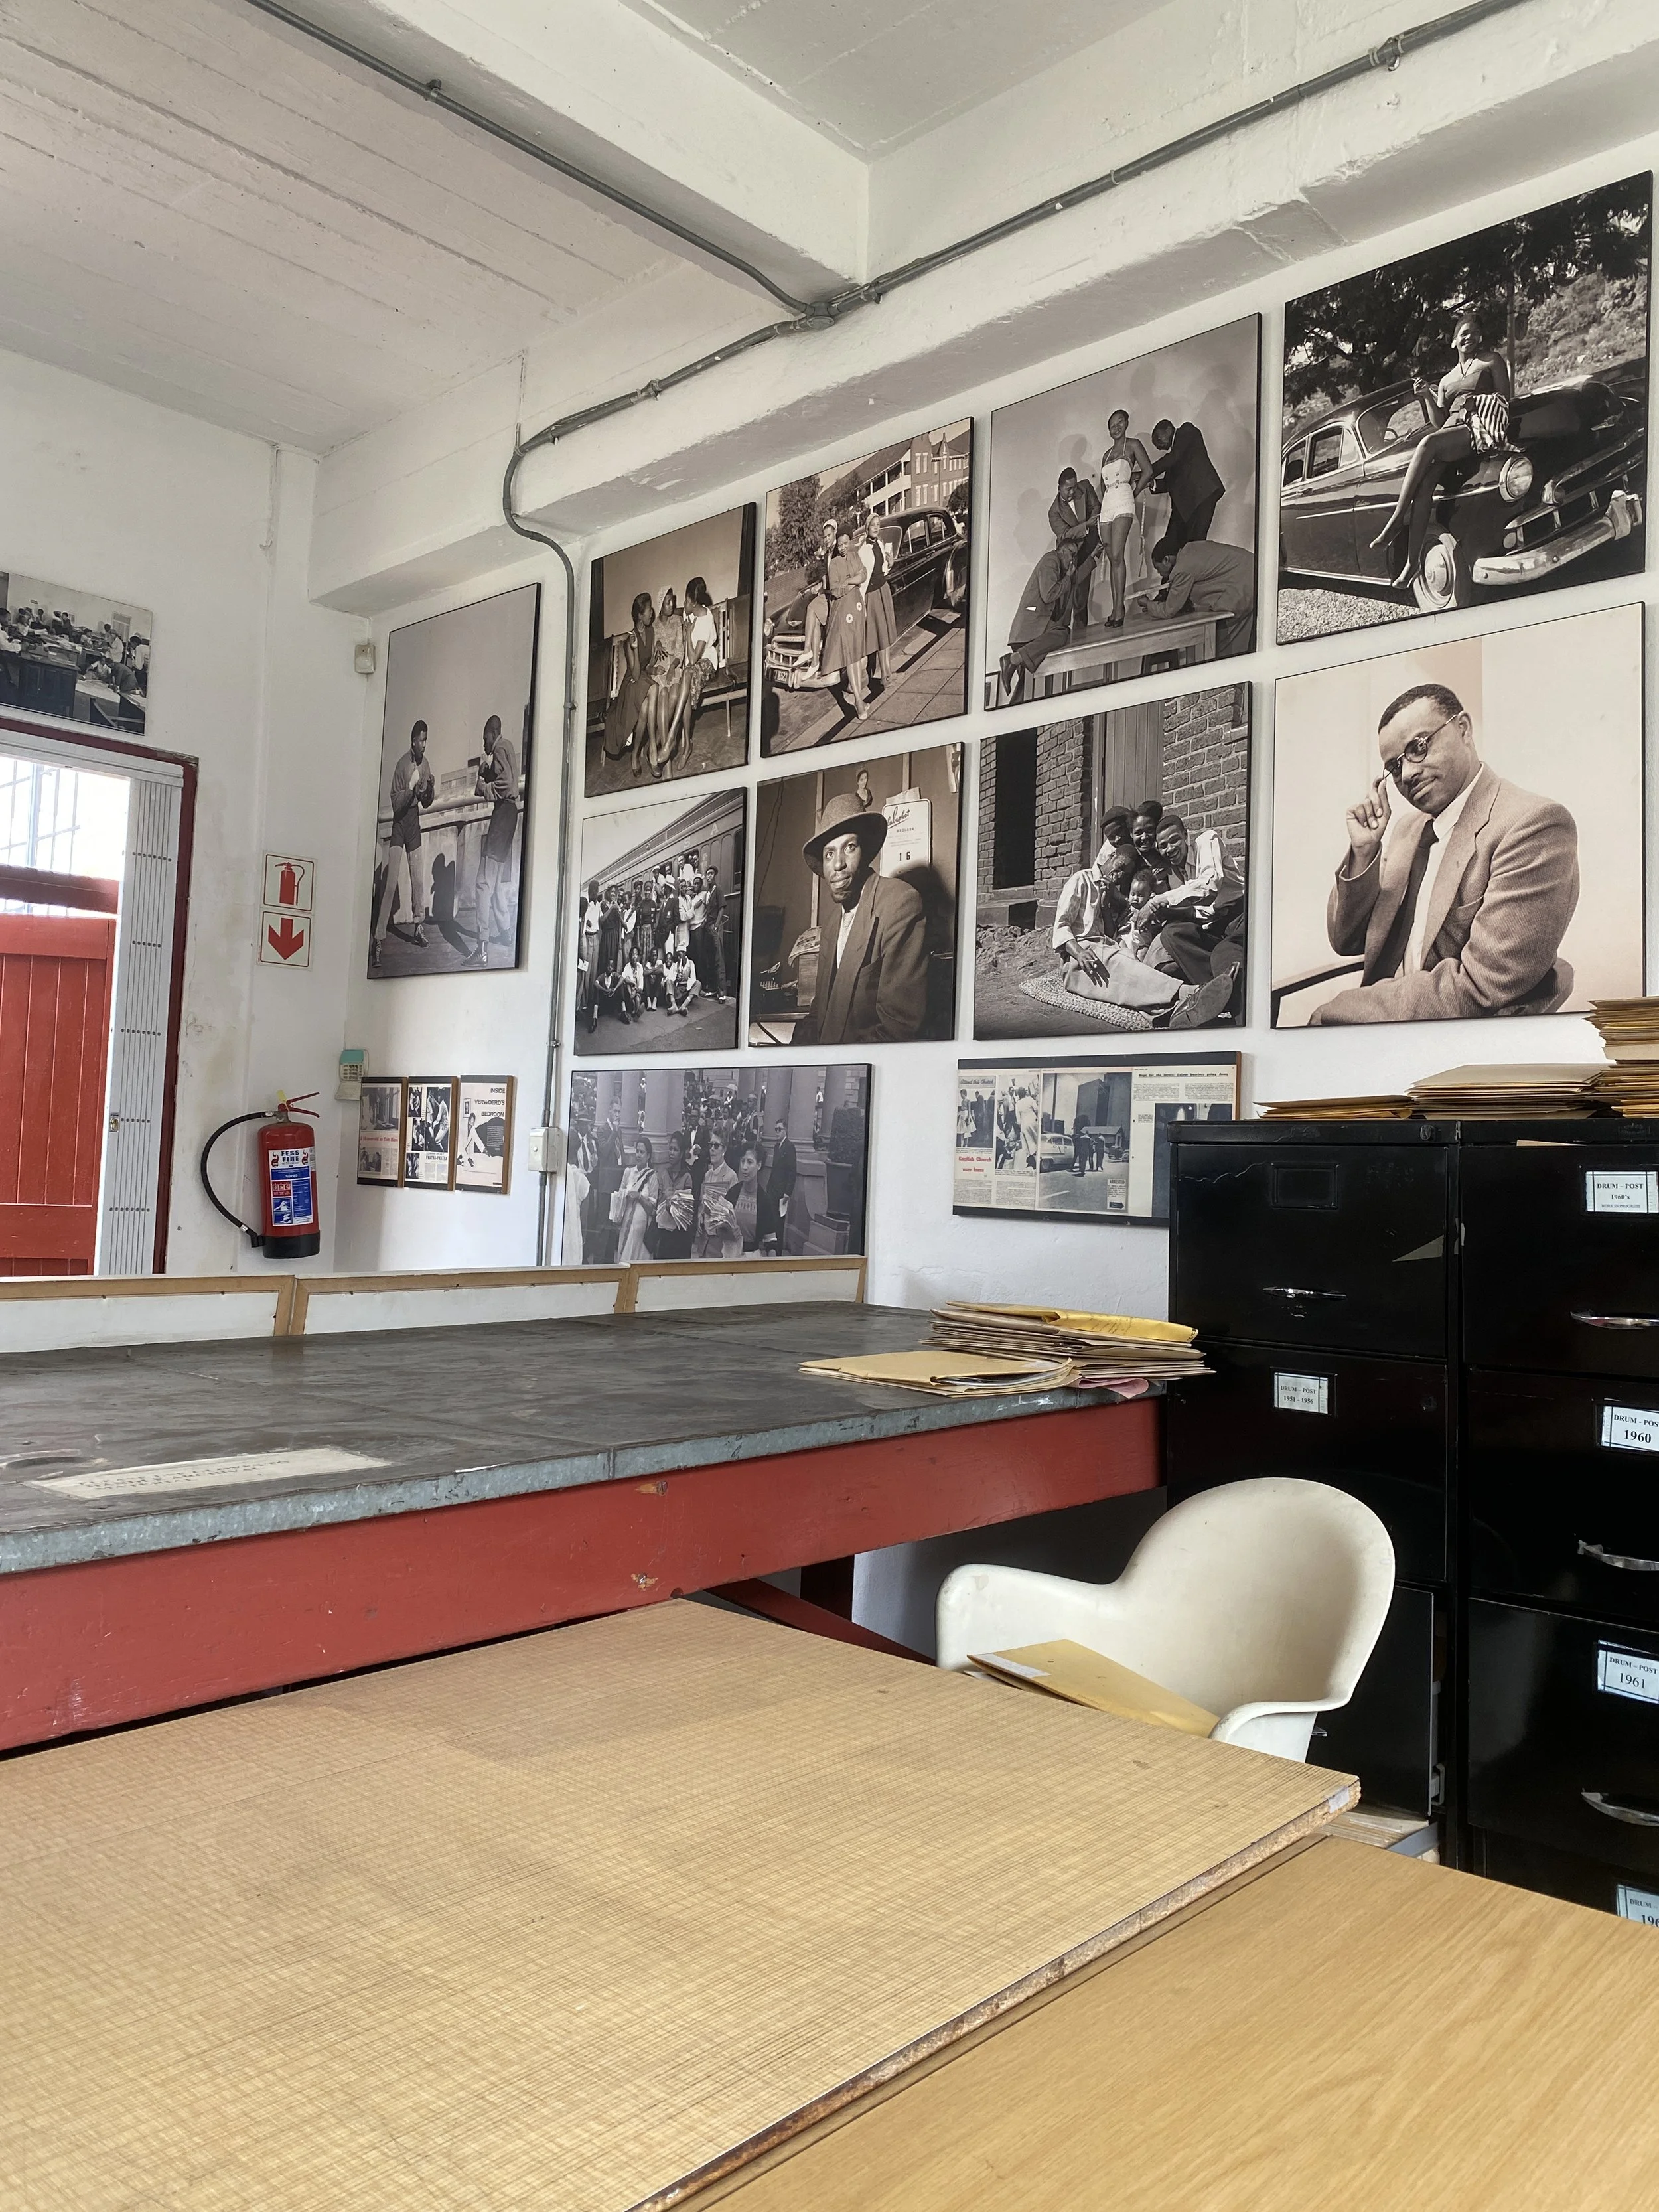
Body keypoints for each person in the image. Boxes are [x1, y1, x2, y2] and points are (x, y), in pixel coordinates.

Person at [1310, 682, 1579, 1025]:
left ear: (1463, 729)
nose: (1406, 773)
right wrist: (1365, 853)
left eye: (1418, 748)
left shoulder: (1533, 824)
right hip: (1391, 1021)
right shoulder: (1409, 829)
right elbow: (1347, 941)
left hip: (1460, 1036)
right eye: (1394, 767)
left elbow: (1482, 987)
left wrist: (1346, 1008)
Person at [1368, 317, 1515, 587]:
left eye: (1474, 333)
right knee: (1424, 488)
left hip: (1477, 429)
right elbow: (1440, 421)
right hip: (1451, 433)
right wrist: (1426, 395)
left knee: (1427, 444)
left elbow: (1506, 399)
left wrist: (1477, 402)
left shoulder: (1491, 360)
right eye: (1463, 334)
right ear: (1453, 341)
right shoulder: (1446, 380)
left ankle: (1397, 518)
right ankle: (1413, 563)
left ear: (1480, 339)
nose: (1468, 337)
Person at [1051, 837, 1237, 1027]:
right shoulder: (1082, 879)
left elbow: (1109, 934)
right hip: (1078, 957)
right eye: (1120, 866)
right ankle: (1193, 992)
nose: (1120, 875)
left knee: (1133, 979)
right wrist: (1079, 953)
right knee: (1124, 969)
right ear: (1111, 856)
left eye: (1125, 873)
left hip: (1106, 948)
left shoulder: (1111, 892)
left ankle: (1176, 1014)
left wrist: (1106, 907)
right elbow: (1061, 925)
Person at [792, 792, 928, 1046]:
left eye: (849, 847)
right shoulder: (833, 923)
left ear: (865, 852)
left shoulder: (901, 902)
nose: (838, 865)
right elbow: (820, 1009)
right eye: (829, 854)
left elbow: (899, 1030)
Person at [1131, 814, 1247, 1015]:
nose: (1170, 849)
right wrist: (1167, 913)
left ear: (1186, 836)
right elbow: (1201, 912)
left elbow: (1210, 885)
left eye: (1174, 840)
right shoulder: (1183, 874)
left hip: (1243, 914)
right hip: (1218, 924)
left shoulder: (1207, 841)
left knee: (1224, 951)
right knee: (1172, 934)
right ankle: (1214, 993)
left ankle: (1233, 1002)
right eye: (1164, 846)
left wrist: (1157, 901)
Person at [999, 538, 1098, 703]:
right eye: (1072, 554)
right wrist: (1067, 576)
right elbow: (1049, 594)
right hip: (1029, 632)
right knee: (1061, 633)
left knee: (1026, 687)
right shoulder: (1050, 560)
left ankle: (1013, 664)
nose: (1074, 559)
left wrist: (1093, 557)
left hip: (1035, 632)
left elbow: (1074, 580)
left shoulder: (1061, 568)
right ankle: (1013, 660)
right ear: (1061, 551)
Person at [370, 719, 435, 968]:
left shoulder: (426, 764)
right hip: (399, 828)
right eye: (421, 740)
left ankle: (418, 927)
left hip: (414, 828)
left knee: (419, 883)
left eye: (427, 740)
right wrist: (410, 787)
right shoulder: (401, 765)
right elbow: (397, 804)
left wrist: (428, 789)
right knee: (389, 885)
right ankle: (378, 938)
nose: (424, 745)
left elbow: (427, 803)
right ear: (413, 741)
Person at [1137, 540, 1256, 657]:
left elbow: (1168, 611)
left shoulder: (1181, 570)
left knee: (1222, 648)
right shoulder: (1191, 548)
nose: (1159, 573)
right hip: (1253, 569)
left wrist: (1147, 604)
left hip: (1244, 586)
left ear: (1166, 560)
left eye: (1157, 568)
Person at [469, 713, 520, 967]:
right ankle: (507, 932)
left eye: (484, 738)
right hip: (510, 816)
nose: (484, 744)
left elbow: (504, 785)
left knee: (482, 883)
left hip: (502, 817)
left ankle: (482, 947)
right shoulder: (508, 746)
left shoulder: (499, 748)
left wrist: (481, 786)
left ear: (492, 733)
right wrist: (486, 770)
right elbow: (508, 779)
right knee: (497, 878)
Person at [1097, 409, 1153, 627]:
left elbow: (1148, 470)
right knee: (1113, 558)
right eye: (1112, 425)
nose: (1116, 427)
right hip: (1108, 505)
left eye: (1120, 422)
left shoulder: (1133, 445)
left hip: (1123, 500)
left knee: (1118, 555)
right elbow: (1103, 486)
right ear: (1109, 430)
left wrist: (1134, 491)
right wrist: (1106, 503)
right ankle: (1115, 607)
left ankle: (1119, 610)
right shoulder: (1106, 455)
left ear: (1127, 423)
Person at [1147, 417, 1224, 558]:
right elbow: (1168, 483)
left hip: (1202, 496)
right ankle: (1172, 578)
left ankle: (1192, 577)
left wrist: (1146, 472)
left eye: (1158, 438)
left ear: (1169, 429)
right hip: (1185, 505)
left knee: (1195, 544)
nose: (1157, 445)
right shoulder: (1175, 455)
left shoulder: (1186, 431)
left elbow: (1174, 457)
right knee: (1172, 546)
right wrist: (1151, 483)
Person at [821, 522, 871, 723]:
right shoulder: (834, 564)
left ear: (850, 542)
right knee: (851, 656)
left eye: (845, 543)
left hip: (857, 610)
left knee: (857, 655)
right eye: (839, 544)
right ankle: (859, 701)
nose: (842, 547)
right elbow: (835, 591)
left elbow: (864, 574)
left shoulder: (855, 555)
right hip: (843, 613)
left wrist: (849, 582)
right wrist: (854, 582)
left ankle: (859, 699)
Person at [603, 591, 656, 770]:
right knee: (655, 688)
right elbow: (634, 674)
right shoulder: (629, 641)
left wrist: (654, 665)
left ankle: (635, 754)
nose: (652, 613)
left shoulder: (650, 631)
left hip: (643, 678)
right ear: (640, 615)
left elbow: (646, 666)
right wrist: (634, 649)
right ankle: (654, 748)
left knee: (647, 708)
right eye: (649, 610)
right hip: (632, 682)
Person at [1047, 469, 1101, 628]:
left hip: (1090, 547)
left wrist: (1093, 520)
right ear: (1059, 488)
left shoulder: (1084, 487)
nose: (1073, 492)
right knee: (1069, 597)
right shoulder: (1054, 511)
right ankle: (1063, 633)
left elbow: (1096, 506)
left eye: (1074, 487)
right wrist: (1086, 526)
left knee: (1082, 598)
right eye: (1068, 489)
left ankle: (1080, 633)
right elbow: (1064, 536)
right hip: (1070, 554)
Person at [857, 516, 897, 693]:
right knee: (880, 635)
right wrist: (862, 602)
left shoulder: (880, 545)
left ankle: (887, 673)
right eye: (872, 525)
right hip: (872, 595)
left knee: (886, 634)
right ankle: (884, 676)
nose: (876, 527)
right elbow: (862, 577)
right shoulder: (863, 549)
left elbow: (882, 569)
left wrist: (890, 563)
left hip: (884, 590)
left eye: (878, 525)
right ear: (867, 528)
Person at [589, 1100, 627, 1264]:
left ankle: (609, 1261)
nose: (618, 1115)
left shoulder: (618, 1131)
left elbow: (621, 1154)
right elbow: (604, 1151)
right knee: (602, 1225)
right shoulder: (603, 1130)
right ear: (609, 1111)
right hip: (606, 1186)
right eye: (615, 1111)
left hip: (617, 1184)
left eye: (619, 1112)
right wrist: (614, 1133)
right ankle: (598, 1262)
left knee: (613, 1225)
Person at [614, 1137, 660, 1266]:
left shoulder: (652, 1176)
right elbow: (620, 1197)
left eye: (642, 1152)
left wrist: (639, 1196)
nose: (638, 1155)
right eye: (637, 1151)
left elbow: (652, 1209)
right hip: (626, 1226)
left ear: (648, 1156)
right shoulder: (628, 1173)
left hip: (642, 1232)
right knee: (624, 1262)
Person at [653, 1130, 696, 1258]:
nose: (671, 1153)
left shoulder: (687, 1177)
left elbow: (687, 1210)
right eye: (670, 1149)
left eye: (675, 1150)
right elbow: (659, 1201)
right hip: (664, 1232)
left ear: (682, 1153)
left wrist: (672, 1204)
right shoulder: (664, 1174)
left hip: (679, 1235)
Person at [762, 1118, 798, 1250]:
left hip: (782, 1193)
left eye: (779, 1129)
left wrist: (788, 1192)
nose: (777, 1132)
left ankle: (778, 1252)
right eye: (776, 1129)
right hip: (772, 1189)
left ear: (785, 1130)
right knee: (771, 1220)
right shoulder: (777, 1147)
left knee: (779, 1223)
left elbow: (792, 1171)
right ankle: (770, 1248)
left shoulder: (790, 1147)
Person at [702, 866, 728, 1001]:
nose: (709, 876)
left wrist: (717, 926)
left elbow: (721, 908)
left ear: (715, 876)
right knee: (710, 959)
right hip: (707, 927)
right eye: (707, 874)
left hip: (714, 927)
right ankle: (712, 989)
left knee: (719, 960)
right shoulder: (708, 893)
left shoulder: (718, 890)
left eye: (711, 874)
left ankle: (721, 992)